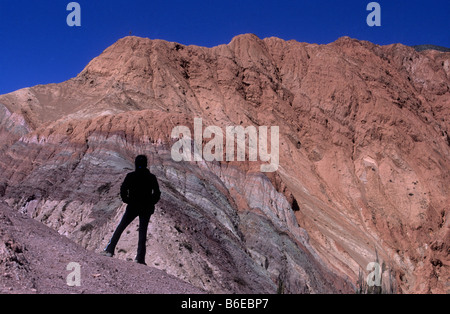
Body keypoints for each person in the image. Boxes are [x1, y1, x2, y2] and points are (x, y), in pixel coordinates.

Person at [101, 155, 161, 265]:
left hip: (133, 206)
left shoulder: (131, 176)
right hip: (146, 207)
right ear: (146, 164)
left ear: (135, 163)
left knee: (120, 227)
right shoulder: (151, 177)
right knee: (142, 233)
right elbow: (157, 193)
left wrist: (127, 200)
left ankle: (109, 250)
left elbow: (123, 189)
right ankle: (140, 259)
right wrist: (151, 203)